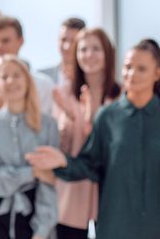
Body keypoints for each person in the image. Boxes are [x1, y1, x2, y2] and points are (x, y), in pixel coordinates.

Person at [26, 39, 160, 238]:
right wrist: (63, 161)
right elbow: (90, 165)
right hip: (116, 224)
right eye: (128, 67)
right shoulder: (108, 116)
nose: (132, 74)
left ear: (157, 73)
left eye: (141, 69)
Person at [0, 55, 58, 239]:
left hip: (33, 217)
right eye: (4, 77)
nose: (10, 81)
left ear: (27, 80)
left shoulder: (47, 126)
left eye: (16, 75)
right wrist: (32, 173)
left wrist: (42, 230)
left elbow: (49, 184)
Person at [52, 28, 120, 239]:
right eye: (83, 49)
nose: (89, 55)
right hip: (73, 189)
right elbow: (59, 146)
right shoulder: (64, 94)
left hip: (109, 190)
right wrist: (69, 120)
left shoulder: (121, 96)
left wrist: (92, 118)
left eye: (96, 49)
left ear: (108, 53)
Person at [0, 15, 54, 125]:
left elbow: (45, 127)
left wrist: (6, 109)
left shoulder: (43, 85)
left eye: (5, 41)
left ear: (21, 41)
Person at [40, 17, 86, 86]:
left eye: (73, 41)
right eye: (63, 39)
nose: (67, 46)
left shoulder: (91, 79)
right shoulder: (41, 77)